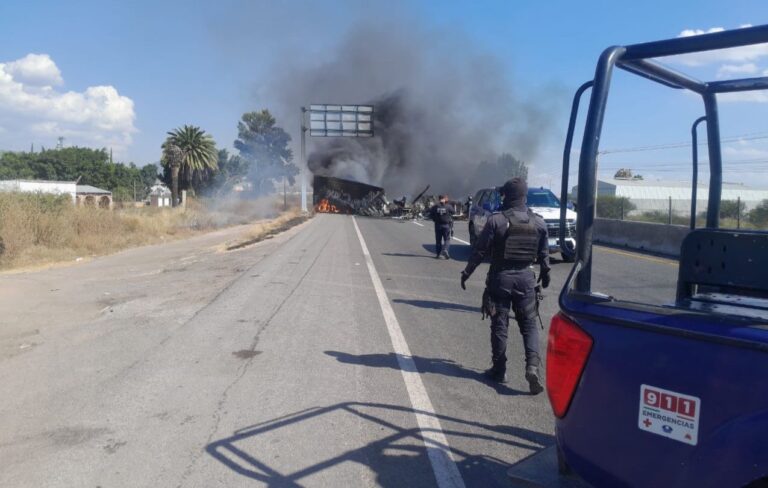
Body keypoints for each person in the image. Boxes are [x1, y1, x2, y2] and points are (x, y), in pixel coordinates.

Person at [459, 178, 550, 394]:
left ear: (505, 196)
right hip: (526, 278)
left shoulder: (496, 221)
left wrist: (466, 273)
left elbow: (480, 251)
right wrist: (545, 274)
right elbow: (544, 254)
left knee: (500, 325)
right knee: (529, 325)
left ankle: (499, 370)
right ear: (524, 196)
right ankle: (532, 367)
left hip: (501, 278)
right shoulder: (539, 222)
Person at [428, 195, 454, 259]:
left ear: (438, 199)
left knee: (438, 241)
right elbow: (453, 212)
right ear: (444, 199)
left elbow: (430, 215)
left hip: (438, 225)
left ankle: (438, 254)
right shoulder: (448, 206)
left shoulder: (435, 206)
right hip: (446, 225)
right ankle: (445, 249)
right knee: (447, 239)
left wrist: (435, 220)